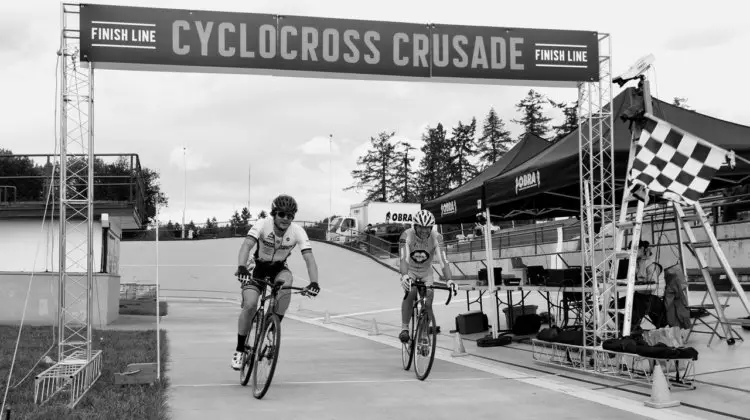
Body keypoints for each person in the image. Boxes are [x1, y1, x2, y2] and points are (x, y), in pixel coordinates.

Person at [231, 194, 321, 370]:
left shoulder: (297, 231)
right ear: (274, 214)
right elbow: (246, 246)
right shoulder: (262, 224)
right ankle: (240, 350)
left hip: (279, 268)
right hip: (258, 268)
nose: (286, 219)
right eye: (281, 214)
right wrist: (241, 267)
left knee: (286, 288)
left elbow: (309, 259)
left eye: (290, 216)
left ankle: (271, 328)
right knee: (250, 305)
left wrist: (314, 282)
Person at [398, 209, 455, 343]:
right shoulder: (406, 235)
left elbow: (443, 261)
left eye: (427, 228)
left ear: (431, 227)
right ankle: (405, 328)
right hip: (410, 269)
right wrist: (405, 276)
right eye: (421, 227)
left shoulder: (437, 237)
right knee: (411, 291)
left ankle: (423, 333)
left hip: (426, 272)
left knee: (428, 301)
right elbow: (403, 259)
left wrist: (450, 280)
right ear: (415, 226)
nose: (424, 231)